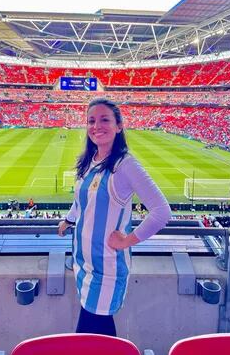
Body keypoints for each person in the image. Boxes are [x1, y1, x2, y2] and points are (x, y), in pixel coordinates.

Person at [58, 98, 171, 336]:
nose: (96, 126)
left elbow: (162, 211)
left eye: (104, 119)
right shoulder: (91, 160)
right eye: (91, 121)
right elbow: (82, 200)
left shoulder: (125, 164)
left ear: (119, 126)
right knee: (94, 334)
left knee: (91, 336)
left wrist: (127, 240)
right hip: (84, 264)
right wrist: (69, 220)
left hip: (106, 267)